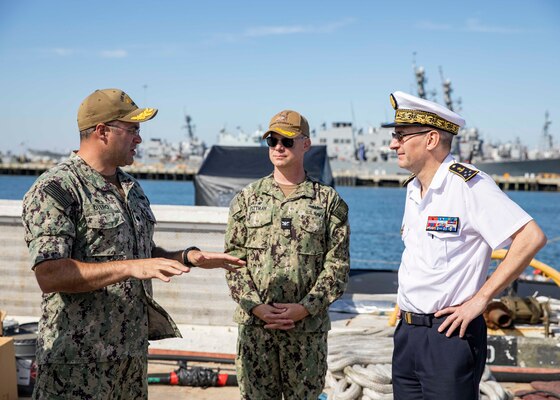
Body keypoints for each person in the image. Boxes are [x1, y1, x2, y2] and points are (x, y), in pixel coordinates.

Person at [21, 88, 245, 399]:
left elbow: (140, 255)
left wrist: (187, 257)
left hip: (130, 358)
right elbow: (50, 274)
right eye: (133, 130)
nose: (139, 139)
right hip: (77, 365)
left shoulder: (131, 188)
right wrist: (132, 267)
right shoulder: (57, 189)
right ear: (102, 132)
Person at [385, 91, 547, 399]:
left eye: (401, 136)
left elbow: (531, 237)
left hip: (448, 335)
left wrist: (481, 299)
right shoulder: (413, 189)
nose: (394, 144)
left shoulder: (469, 185)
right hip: (407, 334)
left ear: (431, 139)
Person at [224, 110, 350, 399]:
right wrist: (255, 306)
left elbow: (338, 265)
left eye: (288, 140)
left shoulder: (328, 201)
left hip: (306, 332)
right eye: (272, 141)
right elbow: (233, 261)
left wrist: (305, 308)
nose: (279, 147)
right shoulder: (246, 199)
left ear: (306, 144)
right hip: (257, 329)